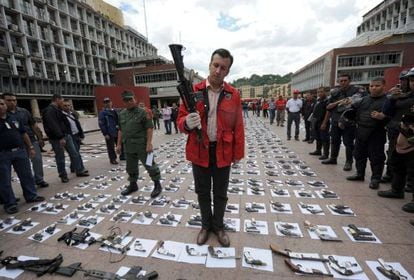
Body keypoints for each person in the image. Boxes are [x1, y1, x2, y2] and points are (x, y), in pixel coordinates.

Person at [177, 48, 244, 247]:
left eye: (223, 68)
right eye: (216, 65)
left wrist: (238, 153)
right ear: (209, 65)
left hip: (223, 151)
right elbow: (180, 119)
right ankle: (206, 226)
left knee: (221, 193)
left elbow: (238, 125)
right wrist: (187, 122)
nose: (218, 71)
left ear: (228, 72)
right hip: (199, 150)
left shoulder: (234, 94)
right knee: (203, 191)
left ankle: (219, 226)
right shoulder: (193, 92)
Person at [0, 96, 44, 214]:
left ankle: (31, 196)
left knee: (26, 175)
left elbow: (23, 133)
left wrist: (30, 147)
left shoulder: (14, 118)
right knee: (4, 180)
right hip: (3, 154)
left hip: (20, 151)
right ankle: (10, 203)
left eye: (2, 104)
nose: (1, 106)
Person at [116, 91, 162, 198]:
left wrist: (149, 143)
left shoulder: (143, 112)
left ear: (135, 99)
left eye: (131, 99)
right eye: (127, 100)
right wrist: (118, 144)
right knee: (130, 167)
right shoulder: (122, 114)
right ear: (124, 102)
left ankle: (157, 185)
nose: (129, 102)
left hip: (142, 145)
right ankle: (133, 185)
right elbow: (120, 130)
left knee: (150, 164)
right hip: (128, 146)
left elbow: (149, 128)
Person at [346, 77, 389, 190]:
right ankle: (360, 174)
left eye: (377, 86)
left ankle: (375, 178)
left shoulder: (388, 101)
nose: (373, 88)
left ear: (383, 86)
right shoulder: (363, 100)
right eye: (371, 86)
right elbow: (352, 112)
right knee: (359, 154)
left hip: (376, 132)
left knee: (376, 157)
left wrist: (383, 117)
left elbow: (394, 117)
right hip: (361, 130)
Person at [3, 93, 48, 188]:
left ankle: (39, 179)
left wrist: (40, 138)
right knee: (20, 167)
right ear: (3, 101)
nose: (12, 103)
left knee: (37, 160)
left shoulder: (23, 111)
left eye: (14, 100)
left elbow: (34, 125)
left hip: (31, 140)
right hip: (15, 144)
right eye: (9, 100)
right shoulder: (3, 114)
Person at [42, 94, 89, 183]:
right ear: (57, 100)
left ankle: (79, 170)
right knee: (60, 157)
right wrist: (60, 137)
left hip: (66, 135)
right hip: (58, 138)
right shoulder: (49, 111)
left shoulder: (57, 110)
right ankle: (63, 175)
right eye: (62, 101)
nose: (63, 103)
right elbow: (53, 125)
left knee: (74, 153)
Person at [380, 70, 414, 185]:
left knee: (410, 160)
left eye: (406, 80)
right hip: (396, 129)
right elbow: (386, 112)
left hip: (410, 133)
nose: (405, 83)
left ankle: (409, 182)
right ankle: (392, 178)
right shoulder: (397, 94)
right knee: (393, 156)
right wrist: (391, 98)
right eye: (404, 80)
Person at [322, 74, 359, 171]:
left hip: (349, 121)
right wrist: (339, 102)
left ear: (349, 81)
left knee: (348, 142)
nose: (343, 82)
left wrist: (350, 102)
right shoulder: (335, 93)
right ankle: (333, 158)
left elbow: (361, 103)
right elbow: (328, 107)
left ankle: (349, 162)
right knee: (334, 140)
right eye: (341, 81)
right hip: (336, 119)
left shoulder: (356, 91)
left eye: (345, 80)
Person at [378, 112, 414, 212]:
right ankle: (396, 190)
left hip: (411, 147)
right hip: (401, 147)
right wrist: (403, 126)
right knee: (398, 167)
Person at [61, 99, 88, 174]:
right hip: (70, 136)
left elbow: (78, 124)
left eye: (68, 105)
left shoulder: (72, 114)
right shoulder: (61, 116)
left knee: (76, 152)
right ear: (62, 107)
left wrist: (81, 134)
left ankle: (73, 167)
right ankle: (80, 168)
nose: (67, 107)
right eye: (65, 106)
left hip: (76, 135)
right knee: (76, 153)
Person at [309, 87, 330, 160]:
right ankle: (318, 150)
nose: (320, 93)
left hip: (323, 121)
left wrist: (324, 123)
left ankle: (326, 154)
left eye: (321, 92)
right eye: (318, 92)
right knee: (317, 137)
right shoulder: (318, 100)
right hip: (316, 121)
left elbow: (328, 112)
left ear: (325, 92)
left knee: (324, 138)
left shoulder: (327, 101)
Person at [98, 97, 120, 164]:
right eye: (106, 102)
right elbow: (101, 124)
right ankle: (113, 159)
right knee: (111, 147)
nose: (108, 104)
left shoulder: (115, 111)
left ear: (111, 102)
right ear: (104, 104)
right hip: (109, 132)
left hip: (117, 131)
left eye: (109, 102)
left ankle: (122, 156)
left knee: (120, 144)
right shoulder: (102, 113)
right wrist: (105, 133)